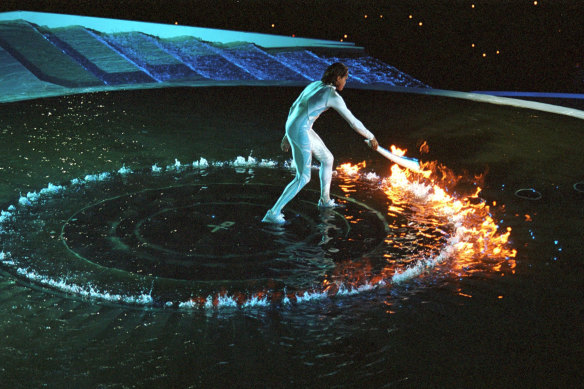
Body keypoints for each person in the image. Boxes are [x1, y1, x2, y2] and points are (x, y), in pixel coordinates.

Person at [262, 62, 379, 224]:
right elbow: (353, 121)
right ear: (338, 78)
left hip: (297, 126)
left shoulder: (314, 85)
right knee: (303, 177)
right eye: (345, 78)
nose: (346, 81)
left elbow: (293, 107)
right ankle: (273, 213)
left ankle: (324, 200)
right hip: (300, 129)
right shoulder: (332, 96)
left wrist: (287, 134)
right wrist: (370, 136)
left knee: (327, 159)